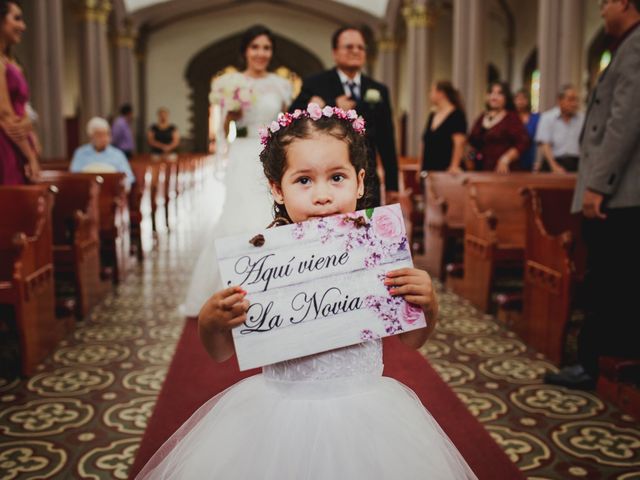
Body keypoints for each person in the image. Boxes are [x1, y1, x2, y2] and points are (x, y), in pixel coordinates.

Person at [136, 104, 477, 480]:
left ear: (360, 182)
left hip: (365, 410)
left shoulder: (376, 254)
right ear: (276, 188)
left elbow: (412, 341)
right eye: (303, 180)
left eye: (336, 178)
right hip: (279, 410)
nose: (322, 196)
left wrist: (428, 305)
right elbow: (219, 351)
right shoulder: (261, 262)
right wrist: (211, 320)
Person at [545, 0, 640, 390]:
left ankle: (593, 362)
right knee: (617, 279)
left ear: (625, 3)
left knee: (605, 279)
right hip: (623, 190)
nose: (601, 9)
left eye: (605, 2)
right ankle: (613, 357)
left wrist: (598, 185)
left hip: (618, 193)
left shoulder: (635, 46)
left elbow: (623, 121)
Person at [179, 25, 292, 318]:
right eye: (255, 47)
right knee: (236, 217)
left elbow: (285, 126)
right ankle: (231, 288)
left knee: (270, 215)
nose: (261, 53)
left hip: (269, 153)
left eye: (266, 48)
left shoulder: (281, 86)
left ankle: (272, 286)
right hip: (242, 153)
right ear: (245, 51)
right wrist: (231, 116)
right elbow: (222, 125)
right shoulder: (230, 82)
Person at [290, 26, 398, 206]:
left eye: (360, 47)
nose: (356, 51)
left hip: (368, 178)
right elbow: (293, 120)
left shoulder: (378, 90)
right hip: (328, 178)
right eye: (349, 47)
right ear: (335, 52)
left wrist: (392, 186)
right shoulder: (315, 84)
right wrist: (332, 104)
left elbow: (387, 140)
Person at [0, 0, 40, 185]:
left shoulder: (11, 61)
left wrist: (28, 124)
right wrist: (30, 156)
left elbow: (22, 108)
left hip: (18, 143)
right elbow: (6, 114)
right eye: (16, 19)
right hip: (6, 144)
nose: (23, 26)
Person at [468, 82, 530, 172]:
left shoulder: (511, 117)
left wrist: (506, 159)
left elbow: (523, 142)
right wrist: (470, 160)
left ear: (506, 98)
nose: (494, 97)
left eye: (499, 94)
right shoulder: (482, 117)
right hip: (482, 169)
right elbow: (473, 143)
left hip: (504, 171)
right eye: (491, 93)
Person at [70, 117, 135, 189]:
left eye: (106, 134)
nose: (104, 138)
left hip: (111, 193)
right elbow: (74, 176)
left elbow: (129, 177)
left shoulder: (118, 154)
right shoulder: (80, 153)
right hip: (86, 192)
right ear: (91, 136)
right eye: (99, 135)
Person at [534, 84, 584, 173]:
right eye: (570, 100)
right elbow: (544, 145)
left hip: (577, 164)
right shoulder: (547, 117)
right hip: (553, 163)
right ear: (560, 100)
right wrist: (554, 166)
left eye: (576, 100)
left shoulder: (582, 119)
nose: (574, 104)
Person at [421, 80, 467, 173]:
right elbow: (425, 141)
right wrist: (420, 167)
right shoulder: (432, 115)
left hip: (446, 170)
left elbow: (459, 143)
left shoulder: (456, 115)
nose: (430, 94)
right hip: (429, 169)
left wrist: (454, 166)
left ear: (441, 94)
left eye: (432, 91)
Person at [514, 88, 540, 171]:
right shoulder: (510, 118)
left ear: (528, 100)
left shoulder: (536, 118)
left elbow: (541, 140)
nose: (521, 101)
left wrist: (539, 161)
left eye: (524, 98)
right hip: (514, 158)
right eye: (518, 98)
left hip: (530, 157)